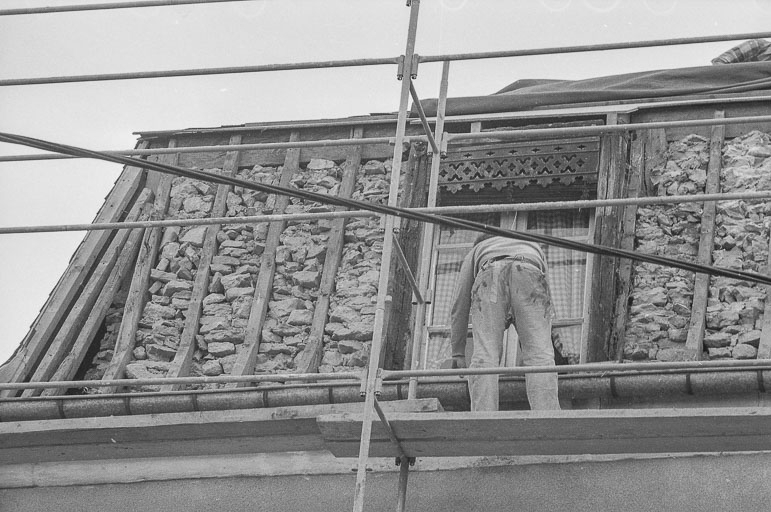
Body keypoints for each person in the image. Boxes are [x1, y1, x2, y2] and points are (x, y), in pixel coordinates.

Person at [449, 232, 561, 411]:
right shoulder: (533, 245)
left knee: (486, 355)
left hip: (491, 272)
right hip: (529, 268)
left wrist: (458, 352)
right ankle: (547, 416)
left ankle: (484, 418)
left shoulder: (478, 250)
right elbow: (548, 307)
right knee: (540, 358)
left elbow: (460, 302)